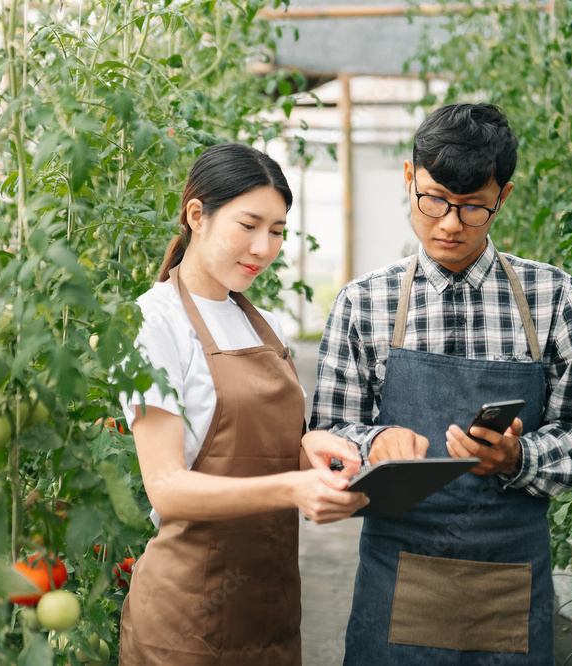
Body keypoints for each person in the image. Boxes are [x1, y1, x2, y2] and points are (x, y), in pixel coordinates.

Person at [310, 103, 572, 664]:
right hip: (399, 571)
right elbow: (326, 433)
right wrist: (373, 443)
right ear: (408, 178)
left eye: (472, 208)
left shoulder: (552, 297)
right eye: (434, 199)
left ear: (503, 197)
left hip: (509, 577)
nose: (448, 223)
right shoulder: (364, 303)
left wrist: (519, 457)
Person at [118, 143, 368, 666]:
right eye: (249, 225)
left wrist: (313, 452)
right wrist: (293, 487)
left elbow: (269, 451)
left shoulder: (265, 323)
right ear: (196, 216)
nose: (264, 247)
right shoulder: (152, 322)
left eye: (277, 230)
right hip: (184, 624)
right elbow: (167, 486)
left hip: (271, 613)